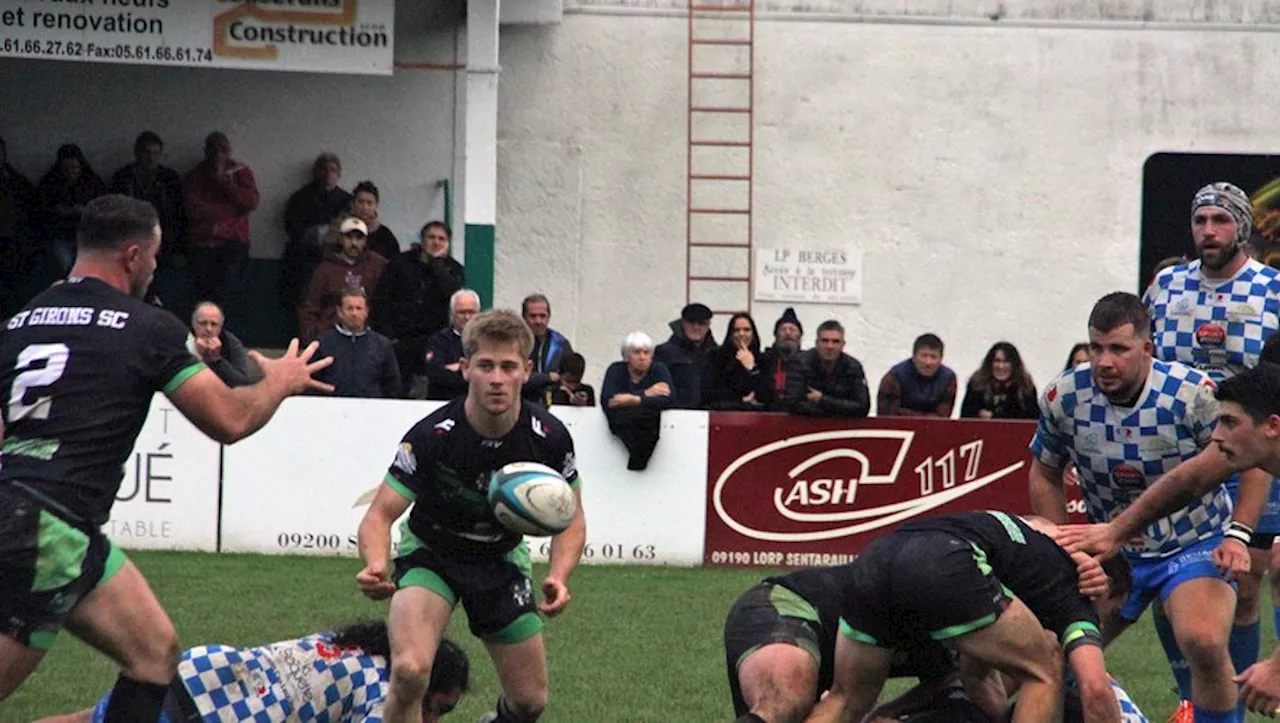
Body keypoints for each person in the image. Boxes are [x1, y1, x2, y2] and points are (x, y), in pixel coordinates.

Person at [0, 195, 333, 721]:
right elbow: (231, 420)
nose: (155, 268)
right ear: (133, 256)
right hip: (50, 528)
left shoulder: (22, 322)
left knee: (155, 655)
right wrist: (282, 382)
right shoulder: (146, 326)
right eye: (154, 257)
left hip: (41, 514)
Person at [1027, 291, 1267, 723]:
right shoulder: (1063, 396)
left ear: (1147, 349)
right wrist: (1061, 551)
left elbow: (1252, 462)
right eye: (1096, 347)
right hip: (1112, 553)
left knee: (1204, 641)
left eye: (1118, 349)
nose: (1104, 361)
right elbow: (1045, 471)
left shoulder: (1193, 395)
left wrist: (1238, 534)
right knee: (1046, 653)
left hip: (1193, 542)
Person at [355, 309, 587, 723]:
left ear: (526, 371)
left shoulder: (549, 438)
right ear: (465, 369)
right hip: (433, 553)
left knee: (529, 703)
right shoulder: (431, 435)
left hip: (499, 561)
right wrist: (375, 561)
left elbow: (572, 518)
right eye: (485, 366)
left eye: (507, 366)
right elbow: (379, 515)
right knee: (409, 671)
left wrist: (559, 574)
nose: (496, 378)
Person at [1142, 181, 1280, 710]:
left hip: (1251, 454)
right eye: (1201, 222)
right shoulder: (1167, 286)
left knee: (1242, 581)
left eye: (1220, 221)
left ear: (1241, 227)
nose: (1208, 232)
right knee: (1171, 577)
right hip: (1181, 455)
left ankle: (1234, 702)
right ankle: (1192, 701)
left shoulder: (1271, 288)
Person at [805, 511, 1122, 723]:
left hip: (876, 557)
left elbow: (975, 673)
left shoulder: (1029, 550)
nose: (1104, 623)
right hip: (947, 560)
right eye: (1112, 613)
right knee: (1046, 668)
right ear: (1107, 590)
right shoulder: (1078, 592)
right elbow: (1094, 688)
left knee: (844, 699)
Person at [34, 621, 470, 723]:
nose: (432, 720)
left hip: (203, 667)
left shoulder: (352, 643)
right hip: (224, 714)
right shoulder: (383, 692)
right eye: (438, 709)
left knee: (91, 718)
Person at [602, 332, 674, 470]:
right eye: (637, 352)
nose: (642, 357)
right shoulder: (616, 370)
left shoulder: (659, 369)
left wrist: (635, 399)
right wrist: (648, 393)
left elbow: (669, 399)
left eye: (646, 353)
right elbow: (609, 401)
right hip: (621, 429)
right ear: (627, 355)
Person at [876, 333, 957, 418]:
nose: (928, 362)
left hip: (933, 428)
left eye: (933, 357)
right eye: (924, 356)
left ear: (941, 359)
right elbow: (888, 415)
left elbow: (943, 416)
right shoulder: (894, 377)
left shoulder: (949, 378)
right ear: (914, 356)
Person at [959, 341, 1038, 420]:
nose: (1001, 366)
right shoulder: (977, 386)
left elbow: (1031, 419)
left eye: (1006, 361)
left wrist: (992, 416)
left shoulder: (1026, 388)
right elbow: (966, 418)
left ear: (1014, 365)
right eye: (997, 361)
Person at [710, 312, 773, 410]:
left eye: (746, 330)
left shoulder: (763, 360)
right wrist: (740, 400)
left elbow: (768, 395)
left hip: (757, 419)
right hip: (725, 416)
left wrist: (752, 368)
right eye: (736, 330)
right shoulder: (716, 357)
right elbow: (712, 393)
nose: (741, 334)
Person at [188, 301, 251, 388]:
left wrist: (216, 360)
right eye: (203, 323)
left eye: (214, 324)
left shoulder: (231, 343)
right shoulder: (181, 340)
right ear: (194, 324)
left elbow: (242, 383)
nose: (208, 329)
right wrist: (194, 354)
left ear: (221, 326)